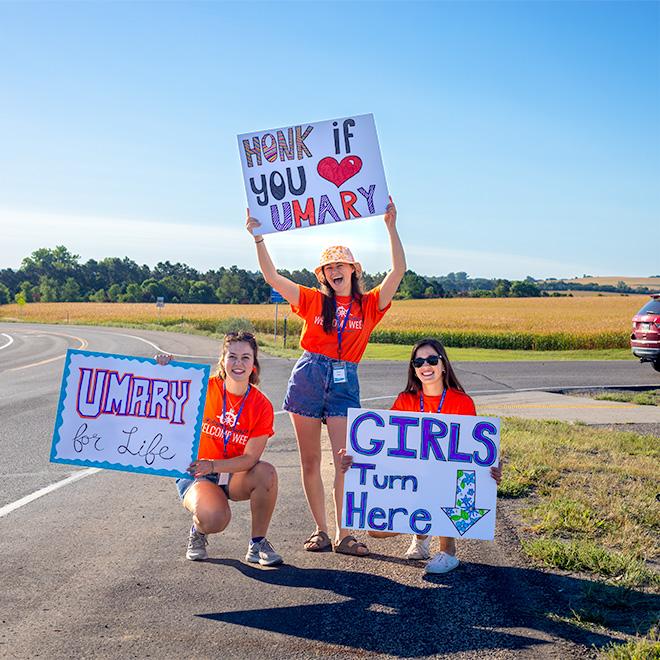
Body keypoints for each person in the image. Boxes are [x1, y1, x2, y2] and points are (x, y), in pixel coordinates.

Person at [246, 199, 405, 556]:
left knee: (344, 458)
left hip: (345, 379)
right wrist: (258, 239)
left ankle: (344, 534)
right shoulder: (313, 301)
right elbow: (272, 277)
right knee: (310, 461)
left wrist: (390, 226)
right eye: (328, 267)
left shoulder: (370, 305)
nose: (334, 271)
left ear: (353, 270)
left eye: (341, 265)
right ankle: (321, 530)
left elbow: (397, 272)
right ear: (322, 275)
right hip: (308, 373)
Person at [342, 337, 502, 573]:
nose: (425, 366)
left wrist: (490, 469)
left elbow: (471, 452)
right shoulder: (405, 400)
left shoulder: (462, 402)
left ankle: (448, 552)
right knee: (375, 528)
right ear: (414, 370)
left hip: (446, 483)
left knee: (448, 475)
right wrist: (356, 456)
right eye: (419, 362)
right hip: (414, 480)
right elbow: (386, 448)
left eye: (431, 360)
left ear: (443, 364)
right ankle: (421, 534)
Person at [157, 331, 282, 566]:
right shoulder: (202, 388)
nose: (238, 363)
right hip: (197, 473)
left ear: (254, 364)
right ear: (222, 361)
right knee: (215, 518)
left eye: (246, 357)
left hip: (234, 473)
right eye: (232, 356)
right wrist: (164, 369)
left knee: (267, 472)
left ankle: (258, 543)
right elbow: (166, 392)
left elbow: (250, 458)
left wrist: (214, 465)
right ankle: (198, 530)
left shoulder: (261, 405)